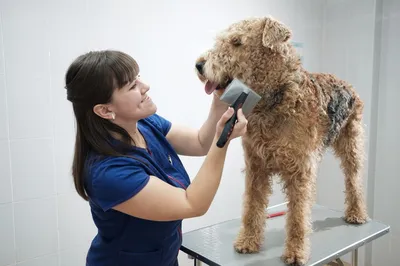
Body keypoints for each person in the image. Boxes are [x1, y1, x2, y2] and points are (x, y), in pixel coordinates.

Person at [64, 50, 247, 266]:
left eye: (138, 77)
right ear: (105, 110)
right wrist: (222, 140)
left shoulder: (145, 124)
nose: (145, 86)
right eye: (132, 86)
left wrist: (220, 95)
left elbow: (199, 142)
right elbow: (192, 204)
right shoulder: (108, 173)